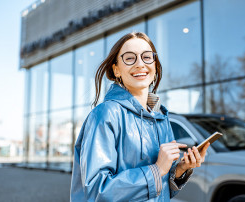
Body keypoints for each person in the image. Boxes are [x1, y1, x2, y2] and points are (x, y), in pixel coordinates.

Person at [70, 32, 210, 201]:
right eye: (129, 58)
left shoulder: (161, 118)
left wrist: (180, 169)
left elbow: (160, 191)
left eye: (147, 57)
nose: (140, 64)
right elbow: (96, 191)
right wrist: (157, 170)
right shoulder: (105, 114)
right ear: (116, 70)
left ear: (155, 66)